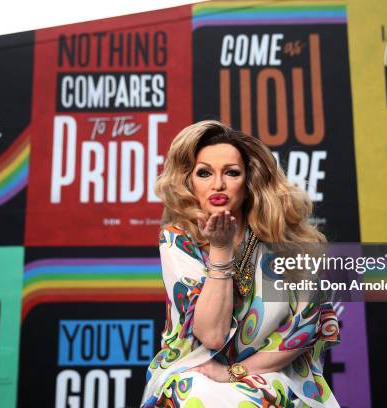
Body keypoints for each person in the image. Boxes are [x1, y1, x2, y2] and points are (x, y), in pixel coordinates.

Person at [141, 120, 341, 407]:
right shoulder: (178, 240)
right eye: (204, 173)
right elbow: (212, 335)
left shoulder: (285, 243)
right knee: (198, 394)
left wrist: (234, 373)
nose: (217, 184)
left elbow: (300, 332)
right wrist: (220, 250)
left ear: (248, 183)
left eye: (231, 173)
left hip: (272, 373)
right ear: (189, 183)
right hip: (196, 372)